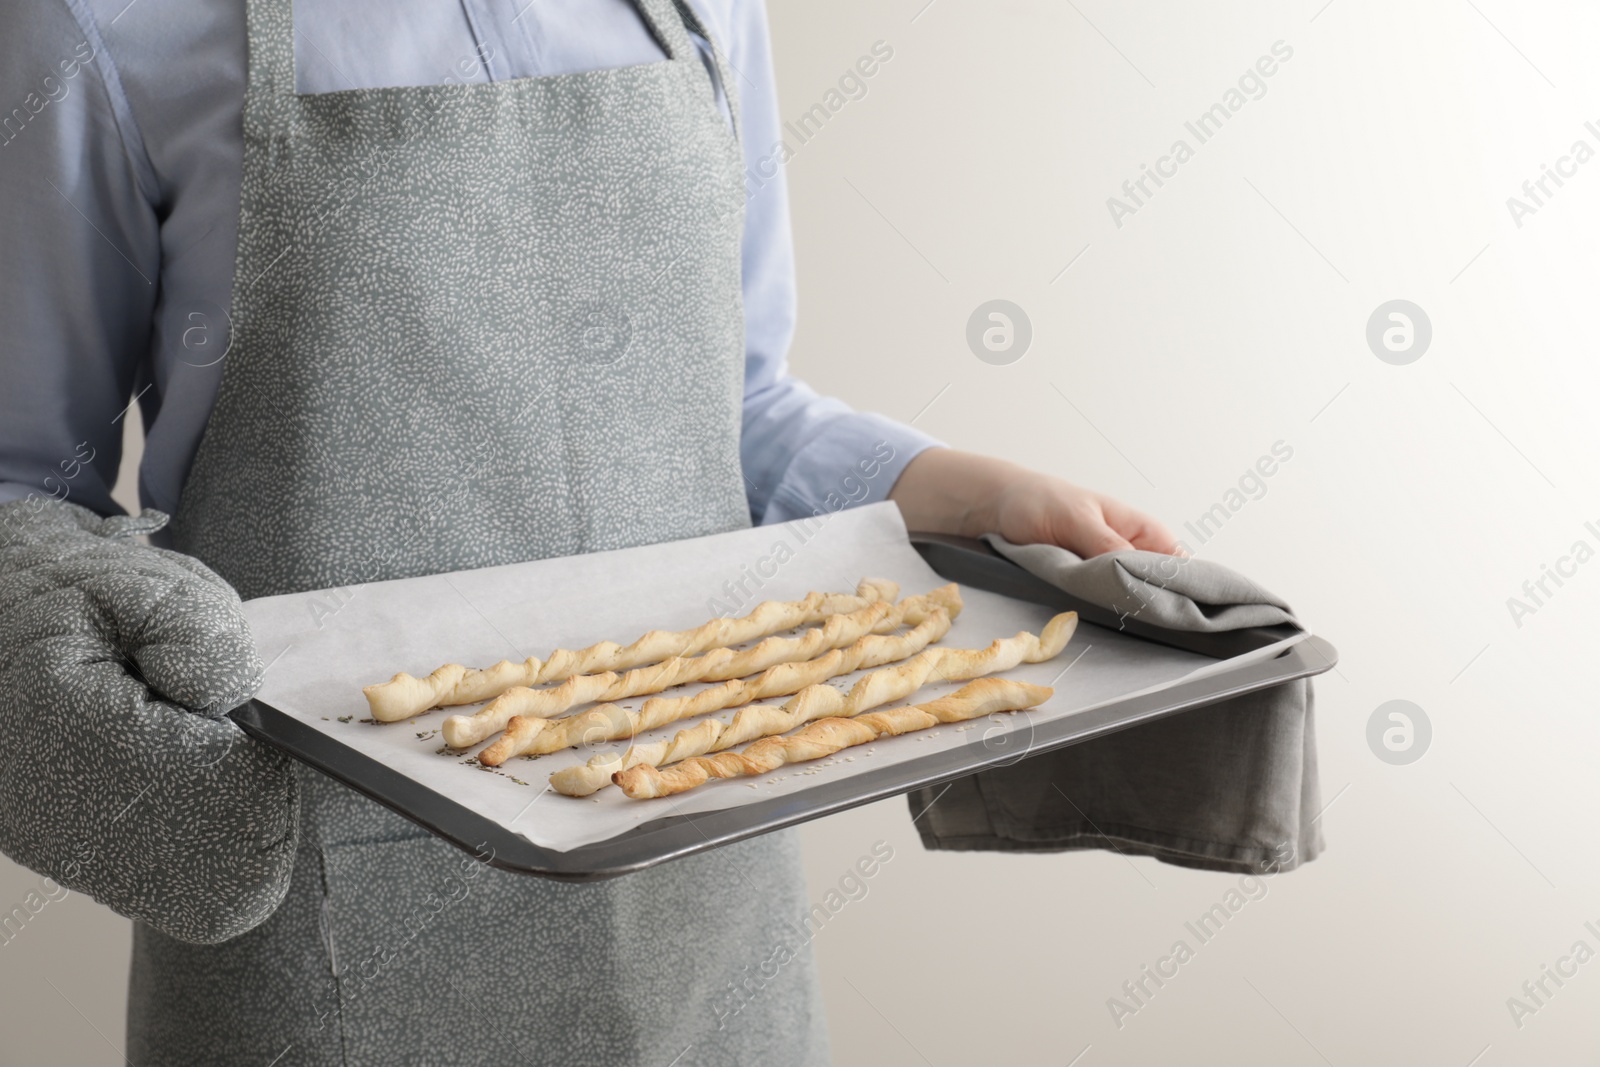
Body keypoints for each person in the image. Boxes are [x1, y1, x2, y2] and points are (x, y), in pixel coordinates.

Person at [0, 1, 1177, 1063]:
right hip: (324, 922)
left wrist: (950, 491)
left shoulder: (700, 11)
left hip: (706, 884)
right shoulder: (97, 22)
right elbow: (18, 483)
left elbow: (732, 405)